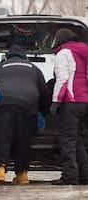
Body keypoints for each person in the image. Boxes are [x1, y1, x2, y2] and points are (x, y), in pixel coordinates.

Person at [0, 44, 49, 186]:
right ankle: (22, 175)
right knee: (23, 140)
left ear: (7, 57)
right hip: (27, 106)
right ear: (24, 56)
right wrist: (42, 113)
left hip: (3, 105)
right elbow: (44, 94)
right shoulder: (34, 69)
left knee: (2, 137)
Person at [50, 28, 88, 185]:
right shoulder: (84, 52)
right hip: (84, 101)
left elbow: (63, 78)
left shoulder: (64, 53)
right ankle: (85, 175)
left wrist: (55, 101)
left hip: (70, 101)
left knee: (68, 140)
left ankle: (70, 176)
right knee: (78, 140)